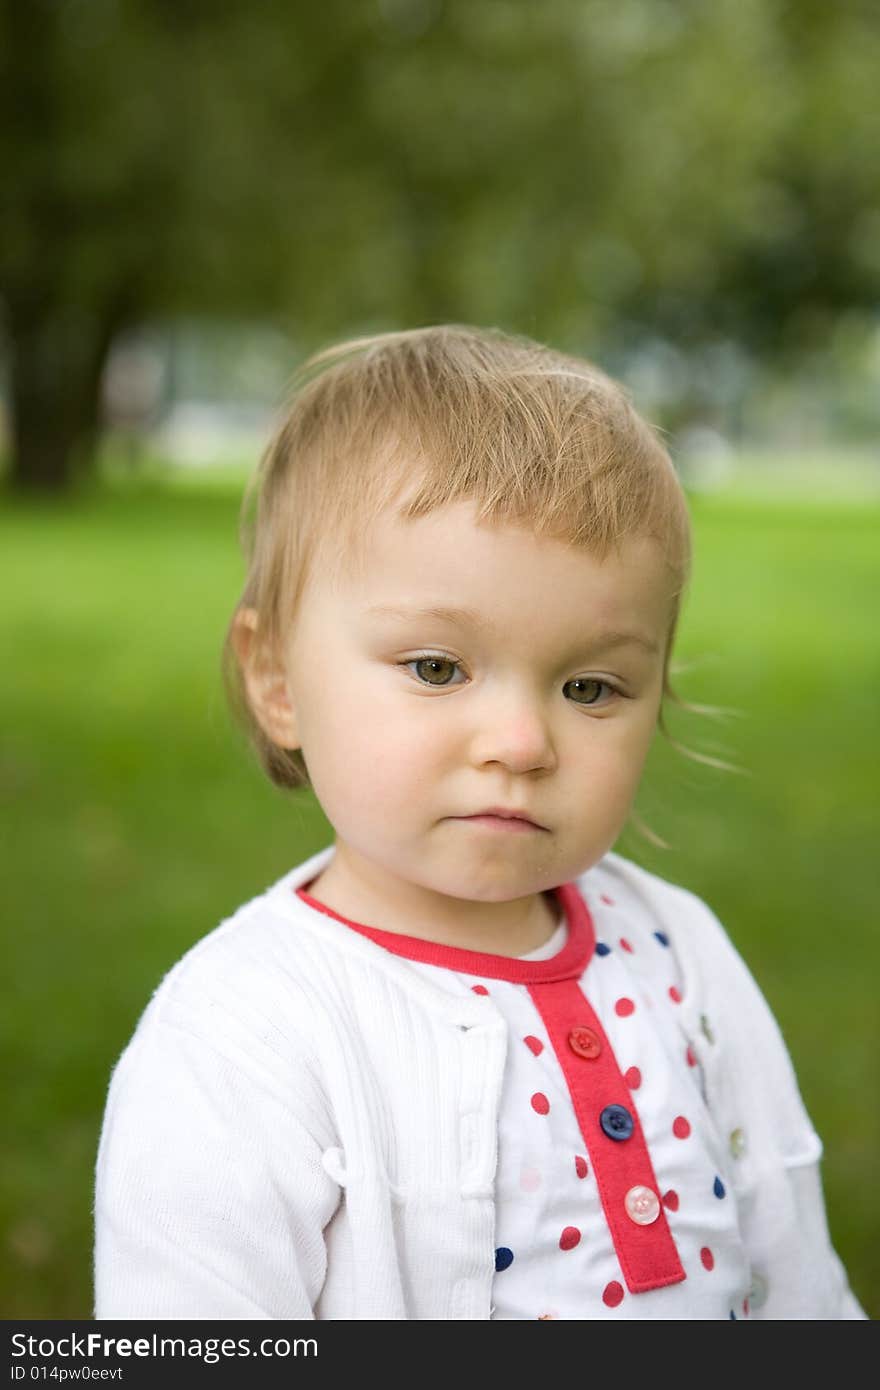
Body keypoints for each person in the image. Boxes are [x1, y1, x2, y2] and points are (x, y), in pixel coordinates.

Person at [93, 325, 865, 1320]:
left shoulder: (679, 952)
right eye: (436, 668)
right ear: (278, 679)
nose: (519, 741)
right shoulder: (244, 1034)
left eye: (590, 685)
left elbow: (796, 1265)